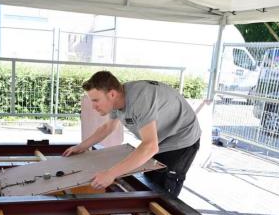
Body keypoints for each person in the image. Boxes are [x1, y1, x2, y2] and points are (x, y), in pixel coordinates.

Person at [63, 71, 201, 197]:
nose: (93, 106)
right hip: (160, 139)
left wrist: (111, 174)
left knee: (162, 192)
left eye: (95, 100)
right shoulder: (117, 100)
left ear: (111, 94)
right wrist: (81, 147)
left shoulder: (139, 100)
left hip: (181, 139)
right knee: (150, 182)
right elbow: (107, 128)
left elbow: (150, 146)